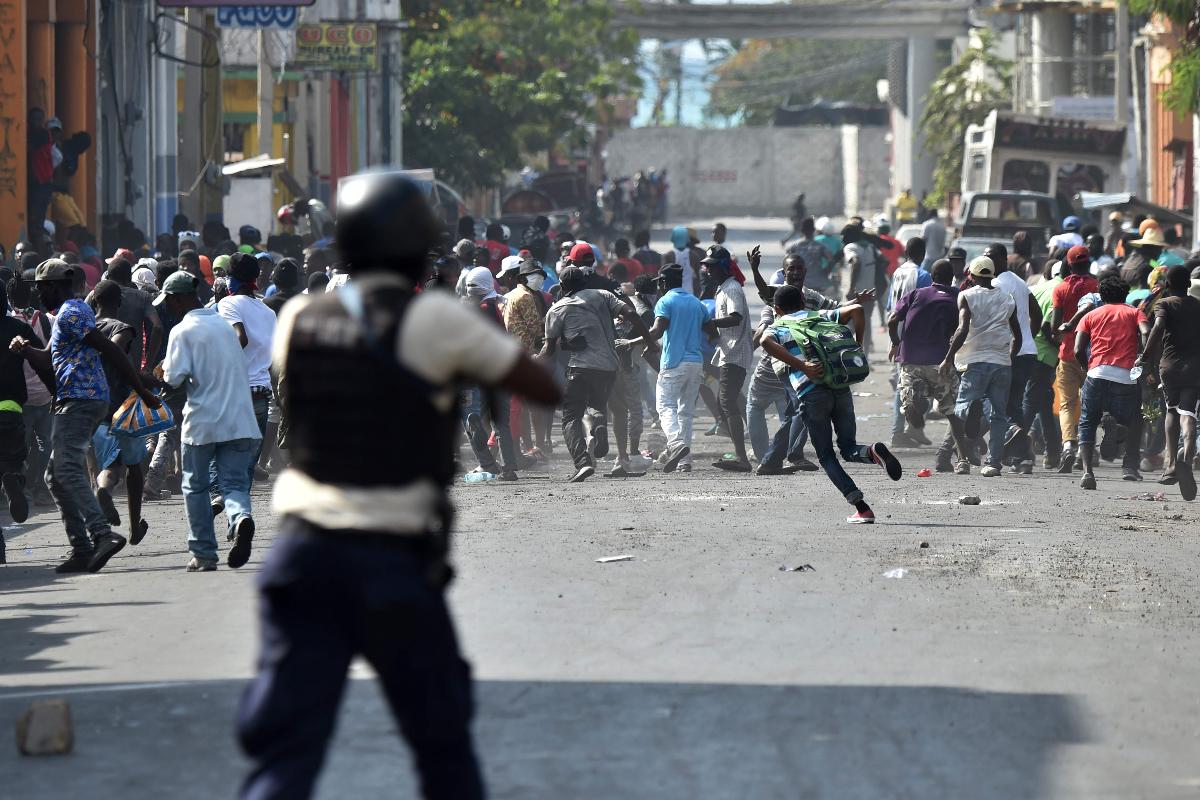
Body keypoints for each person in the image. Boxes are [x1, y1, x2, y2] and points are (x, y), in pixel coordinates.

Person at [238, 174, 559, 800]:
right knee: (443, 747)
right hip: (393, 558)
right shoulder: (434, 318)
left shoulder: (302, 314)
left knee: (285, 754)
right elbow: (542, 387)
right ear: (420, 249)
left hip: (303, 553)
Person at [11, 258, 161, 573]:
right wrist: (26, 349)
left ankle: (102, 534)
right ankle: (81, 548)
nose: (39, 296)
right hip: (74, 399)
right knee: (56, 476)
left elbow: (111, 349)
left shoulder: (73, 311)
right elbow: (49, 361)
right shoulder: (65, 315)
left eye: (41, 289)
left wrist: (141, 389)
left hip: (82, 400)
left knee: (67, 471)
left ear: (54, 286)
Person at [758, 285, 901, 523]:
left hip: (812, 393)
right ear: (803, 301)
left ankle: (861, 507)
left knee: (826, 455)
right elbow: (856, 309)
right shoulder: (819, 315)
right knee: (848, 447)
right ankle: (873, 451)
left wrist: (802, 366)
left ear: (777, 308)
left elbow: (764, 339)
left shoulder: (780, 326)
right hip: (840, 388)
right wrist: (858, 345)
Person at [155, 270, 261, 570]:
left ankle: (203, 552)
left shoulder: (182, 331)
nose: (169, 307)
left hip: (203, 421)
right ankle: (240, 518)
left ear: (179, 299)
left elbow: (174, 379)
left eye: (171, 302)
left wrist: (159, 371)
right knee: (234, 484)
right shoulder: (225, 326)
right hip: (241, 419)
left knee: (195, 486)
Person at [541, 266, 650, 482]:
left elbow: (549, 349)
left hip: (580, 367)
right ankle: (599, 423)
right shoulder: (603, 295)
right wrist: (649, 342)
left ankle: (583, 463)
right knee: (596, 406)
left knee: (571, 415)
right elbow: (630, 314)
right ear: (584, 281)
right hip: (610, 366)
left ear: (562, 286)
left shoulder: (558, 308)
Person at [617, 263, 707, 473]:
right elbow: (712, 329)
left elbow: (656, 332)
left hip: (674, 362)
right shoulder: (696, 303)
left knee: (665, 407)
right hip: (696, 362)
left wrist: (630, 343)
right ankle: (684, 461)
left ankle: (676, 444)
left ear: (664, 282)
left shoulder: (665, 302)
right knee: (685, 412)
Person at [939, 256, 1022, 477]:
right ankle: (993, 464)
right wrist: (1009, 358)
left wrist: (948, 357)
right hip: (1001, 361)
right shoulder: (1007, 299)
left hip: (974, 361)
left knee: (960, 410)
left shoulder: (966, 296)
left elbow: (963, 328)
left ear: (972, 276)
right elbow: (1018, 336)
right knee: (998, 415)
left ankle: (963, 459)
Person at [88, 280, 151, 546]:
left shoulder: (86, 330)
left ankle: (103, 489)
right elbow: (114, 355)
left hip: (92, 404)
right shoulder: (121, 328)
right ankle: (135, 525)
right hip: (122, 404)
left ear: (94, 302)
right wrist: (143, 382)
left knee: (109, 464)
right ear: (119, 303)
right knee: (133, 465)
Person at [889, 258, 965, 470]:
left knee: (906, 391)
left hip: (910, 358)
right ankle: (962, 459)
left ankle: (912, 403)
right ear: (951, 278)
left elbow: (893, 319)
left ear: (931, 277)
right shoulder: (956, 297)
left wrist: (896, 343)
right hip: (939, 361)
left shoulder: (916, 294)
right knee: (952, 411)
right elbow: (961, 328)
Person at [1073, 273, 1145, 488]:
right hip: (1125, 377)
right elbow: (1147, 331)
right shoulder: (1135, 313)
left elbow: (1077, 349)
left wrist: (1089, 369)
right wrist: (1146, 354)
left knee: (1087, 422)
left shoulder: (1091, 315)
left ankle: (1088, 473)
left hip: (1097, 374)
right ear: (1126, 294)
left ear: (1101, 295)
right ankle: (1119, 430)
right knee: (1130, 418)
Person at [1137, 265, 1200, 500]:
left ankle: (1172, 464)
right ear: (1188, 284)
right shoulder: (1197, 305)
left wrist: (1145, 355)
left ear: (1168, 284)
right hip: (1195, 369)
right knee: (1189, 415)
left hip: (1170, 367)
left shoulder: (1164, 304)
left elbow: (1158, 326)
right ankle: (1187, 458)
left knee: (1171, 411)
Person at [217, 253, 278, 490]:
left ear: (232, 278)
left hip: (235, 391)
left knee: (225, 455)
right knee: (248, 464)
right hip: (261, 393)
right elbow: (273, 357)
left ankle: (225, 501)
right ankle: (240, 510)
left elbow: (239, 338)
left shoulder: (228, 304)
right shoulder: (268, 312)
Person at [0, 282, 50, 563]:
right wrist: (55, 392)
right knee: (13, 460)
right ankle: (15, 479)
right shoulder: (17, 329)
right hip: (11, 409)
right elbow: (43, 361)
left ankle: (0, 549)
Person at [990, 242, 1043, 473]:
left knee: (1001, 402)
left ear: (1003, 259)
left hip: (1009, 352)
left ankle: (1019, 448)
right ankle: (1022, 456)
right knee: (1014, 403)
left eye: (990, 257)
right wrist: (1029, 337)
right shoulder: (1019, 282)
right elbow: (1037, 314)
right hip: (1026, 351)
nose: (987, 261)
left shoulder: (995, 284)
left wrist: (1022, 338)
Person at [703, 245, 753, 471]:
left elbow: (735, 317)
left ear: (723, 267)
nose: (708, 270)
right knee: (728, 400)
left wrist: (711, 323)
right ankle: (742, 452)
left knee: (727, 401)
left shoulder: (732, 288)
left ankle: (742, 458)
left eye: (712, 267)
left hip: (735, 352)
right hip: (728, 351)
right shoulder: (723, 288)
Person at [1051, 245, 1099, 472]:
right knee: (1090, 404)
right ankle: (1084, 449)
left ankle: (1068, 445)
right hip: (1094, 355)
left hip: (1068, 353)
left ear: (1069, 264)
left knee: (1068, 404)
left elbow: (1054, 327)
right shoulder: (1098, 286)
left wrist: (1061, 337)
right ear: (1088, 262)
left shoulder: (1061, 289)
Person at [7, 275, 54, 505]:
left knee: (20, 446)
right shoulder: (45, 320)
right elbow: (48, 356)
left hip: (18, 396)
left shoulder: (10, 322)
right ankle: (38, 486)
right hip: (44, 393)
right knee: (45, 444)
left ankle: (21, 487)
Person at [503, 258, 551, 460]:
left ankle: (525, 446)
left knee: (518, 405)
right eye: (534, 275)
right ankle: (534, 447)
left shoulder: (512, 295)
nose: (538, 279)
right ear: (522, 277)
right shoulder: (525, 297)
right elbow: (535, 328)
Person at [843, 224, 878, 355]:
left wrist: (851, 288)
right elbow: (883, 262)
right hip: (870, 292)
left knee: (849, 325)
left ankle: (844, 352)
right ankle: (865, 355)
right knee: (866, 322)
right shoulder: (870, 247)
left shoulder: (850, 247)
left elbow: (855, 262)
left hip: (857, 294)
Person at [784, 217, 833, 296]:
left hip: (799, 284)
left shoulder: (793, 246)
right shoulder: (820, 246)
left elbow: (786, 264)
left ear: (802, 230)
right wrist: (826, 271)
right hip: (818, 283)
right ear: (813, 230)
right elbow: (831, 260)